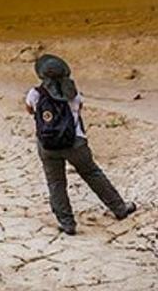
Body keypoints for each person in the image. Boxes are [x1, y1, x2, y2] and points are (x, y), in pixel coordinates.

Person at [25, 54, 137, 235]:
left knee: (56, 183)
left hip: (48, 146)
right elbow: (79, 108)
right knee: (92, 174)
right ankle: (119, 208)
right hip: (75, 143)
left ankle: (67, 223)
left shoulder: (35, 93)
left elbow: (30, 110)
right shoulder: (74, 93)